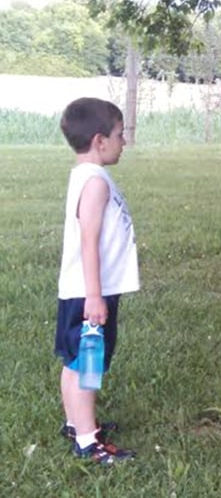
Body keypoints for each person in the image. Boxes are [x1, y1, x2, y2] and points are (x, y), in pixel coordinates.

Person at [55, 97, 140, 463]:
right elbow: (89, 240)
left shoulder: (88, 176)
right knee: (86, 362)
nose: (125, 142)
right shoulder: (95, 182)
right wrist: (94, 296)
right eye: (121, 135)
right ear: (99, 140)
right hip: (90, 292)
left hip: (87, 290)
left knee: (76, 360)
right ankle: (88, 442)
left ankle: (76, 423)